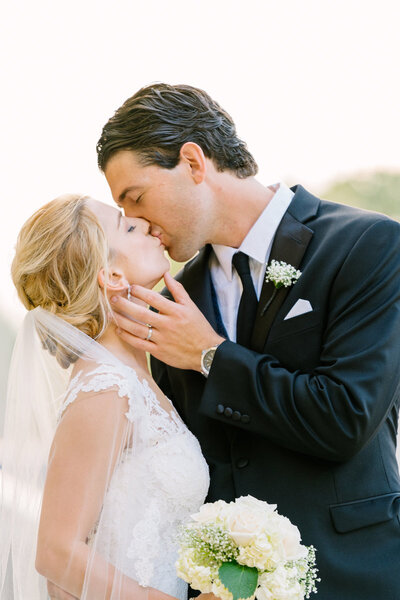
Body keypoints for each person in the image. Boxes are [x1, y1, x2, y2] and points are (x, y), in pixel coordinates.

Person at [96, 83, 400, 600]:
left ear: (193, 162)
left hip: (355, 576)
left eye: (137, 198)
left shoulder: (367, 245)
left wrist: (209, 354)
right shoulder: (177, 294)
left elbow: (347, 416)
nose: (140, 222)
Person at [0, 194, 210, 600]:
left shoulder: (137, 377)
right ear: (111, 276)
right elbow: (56, 554)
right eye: (128, 226)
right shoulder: (106, 387)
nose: (148, 225)